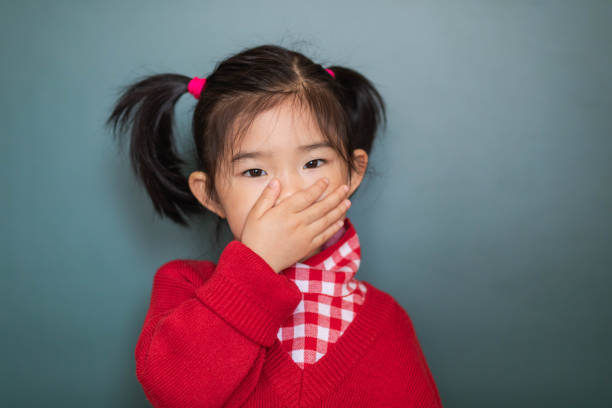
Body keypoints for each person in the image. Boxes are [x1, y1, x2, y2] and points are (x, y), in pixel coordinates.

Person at [106, 44, 443, 408]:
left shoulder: (385, 320)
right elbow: (175, 394)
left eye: (313, 162)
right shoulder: (184, 290)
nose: (289, 192)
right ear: (211, 195)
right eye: (255, 171)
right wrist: (258, 262)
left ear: (353, 172)